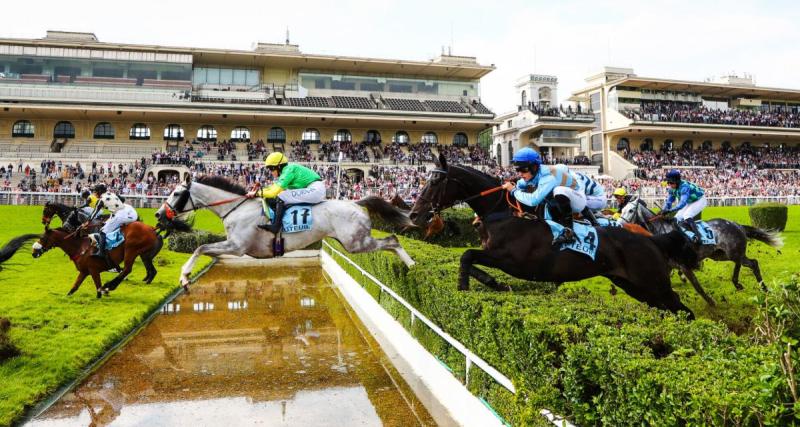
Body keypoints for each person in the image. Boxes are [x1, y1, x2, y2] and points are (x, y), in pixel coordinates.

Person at [500, 147, 585, 245]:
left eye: (523, 170)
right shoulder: (536, 173)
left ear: (534, 167)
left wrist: (514, 191)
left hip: (578, 200)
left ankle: (569, 231)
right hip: (561, 201)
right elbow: (520, 183)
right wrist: (511, 185)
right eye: (518, 170)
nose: (520, 173)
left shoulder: (548, 177)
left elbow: (533, 200)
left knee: (558, 190)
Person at [247, 152, 326, 234]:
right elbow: (273, 188)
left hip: (315, 189)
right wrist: (258, 191)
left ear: (278, 166)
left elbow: (273, 192)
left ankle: (276, 226)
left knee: (282, 196)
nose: (271, 172)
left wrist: (256, 193)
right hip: (314, 188)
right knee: (279, 195)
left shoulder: (289, 170)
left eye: (271, 169)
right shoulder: (286, 171)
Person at [88, 185, 137, 264]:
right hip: (130, 215)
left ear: (100, 191)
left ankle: (101, 252)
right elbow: (114, 212)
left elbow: (94, 212)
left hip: (121, 216)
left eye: (95, 191)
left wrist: (87, 221)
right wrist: (107, 222)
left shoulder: (101, 199)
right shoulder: (112, 194)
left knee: (102, 232)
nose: (94, 193)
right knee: (109, 227)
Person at [662, 169, 706, 243]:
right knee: (676, 218)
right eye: (668, 182)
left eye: (671, 182)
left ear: (676, 181)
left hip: (699, 200)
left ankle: (699, 237)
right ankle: (684, 236)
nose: (669, 184)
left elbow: (682, 203)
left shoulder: (684, 187)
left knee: (687, 215)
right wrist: (664, 210)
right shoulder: (672, 189)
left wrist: (670, 210)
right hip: (689, 201)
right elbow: (669, 201)